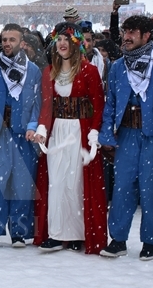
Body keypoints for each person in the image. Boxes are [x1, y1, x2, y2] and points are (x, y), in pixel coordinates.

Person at [98, 15, 153, 260]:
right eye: (126, 31)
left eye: (133, 32)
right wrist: (105, 133)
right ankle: (118, 239)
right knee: (122, 187)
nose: (127, 36)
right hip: (126, 134)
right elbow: (110, 101)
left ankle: (151, 239)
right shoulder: (118, 66)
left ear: (147, 36)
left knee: (152, 188)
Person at [33, 23, 108, 254]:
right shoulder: (49, 72)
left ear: (75, 43)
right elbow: (47, 106)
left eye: (66, 40)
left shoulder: (89, 71)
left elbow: (98, 105)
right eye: (59, 40)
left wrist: (95, 132)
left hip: (79, 131)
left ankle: (76, 233)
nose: (62, 44)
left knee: (76, 183)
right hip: (58, 133)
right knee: (57, 182)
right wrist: (43, 129)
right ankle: (56, 233)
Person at [0, 23, 42, 248]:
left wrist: (33, 126)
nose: (7, 44)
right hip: (0, 134)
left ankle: (19, 232)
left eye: (12, 40)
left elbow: (39, 103)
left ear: (21, 43)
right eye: (4, 40)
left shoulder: (33, 71)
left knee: (23, 185)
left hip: (24, 134)